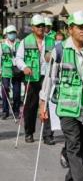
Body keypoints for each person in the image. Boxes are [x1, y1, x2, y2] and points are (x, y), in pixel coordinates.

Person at [39, 10, 83, 181]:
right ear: (70, 29)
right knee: (73, 146)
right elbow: (49, 78)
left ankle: (71, 179)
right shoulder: (60, 50)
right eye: (80, 27)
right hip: (67, 109)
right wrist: (43, 104)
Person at [16, 14, 55, 143]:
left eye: (43, 25)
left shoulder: (51, 41)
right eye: (38, 26)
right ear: (32, 27)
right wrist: (24, 67)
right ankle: (29, 133)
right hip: (31, 77)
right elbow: (18, 59)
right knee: (30, 106)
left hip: (46, 76)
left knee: (47, 106)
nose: (41, 28)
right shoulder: (25, 41)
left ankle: (48, 135)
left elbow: (56, 57)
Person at [0, 25, 22, 119]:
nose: (12, 34)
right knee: (5, 90)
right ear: (7, 34)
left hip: (17, 70)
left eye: (13, 32)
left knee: (17, 92)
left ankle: (16, 110)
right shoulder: (2, 44)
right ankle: (5, 111)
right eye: (10, 33)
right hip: (6, 70)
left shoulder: (20, 43)